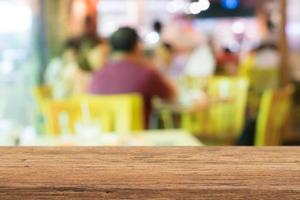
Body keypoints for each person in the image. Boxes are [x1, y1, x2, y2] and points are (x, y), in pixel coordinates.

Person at [89, 27, 176, 126]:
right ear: (136, 46)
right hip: (139, 138)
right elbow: (172, 95)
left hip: (105, 138)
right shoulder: (146, 73)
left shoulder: (97, 74)